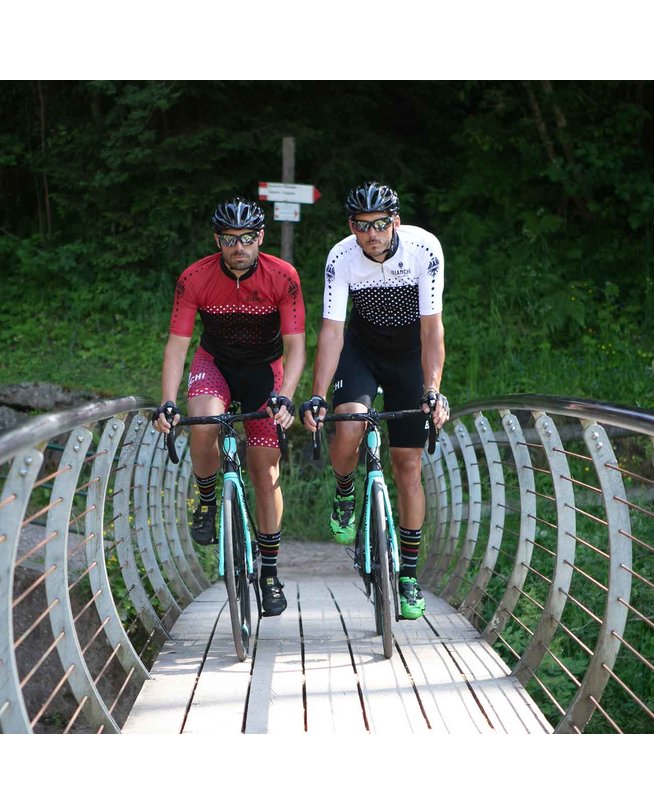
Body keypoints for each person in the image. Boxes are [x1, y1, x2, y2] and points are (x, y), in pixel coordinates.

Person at [302, 181, 449, 620]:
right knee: (350, 422)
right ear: (352, 227)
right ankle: (345, 491)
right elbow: (332, 331)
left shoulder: (425, 249)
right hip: (361, 353)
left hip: (408, 358)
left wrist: (432, 388)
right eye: (363, 226)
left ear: (395, 222)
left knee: (408, 467)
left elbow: (432, 329)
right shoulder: (341, 257)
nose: (373, 234)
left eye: (381, 224)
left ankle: (408, 575)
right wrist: (317, 395)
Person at [152, 196, 306, 617]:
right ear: (216, 240)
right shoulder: (194, 278)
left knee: (265, 471)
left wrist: (287, 394)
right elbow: (177, 346)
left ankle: (270, 572)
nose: (239, 246)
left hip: (264, 371)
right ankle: (206, 501)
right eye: (229, 238)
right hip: (215, 363)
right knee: (203, 423)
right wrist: (168, 402)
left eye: (247, 238)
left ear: (261, 237)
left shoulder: (283, 276)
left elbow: (296, 346)